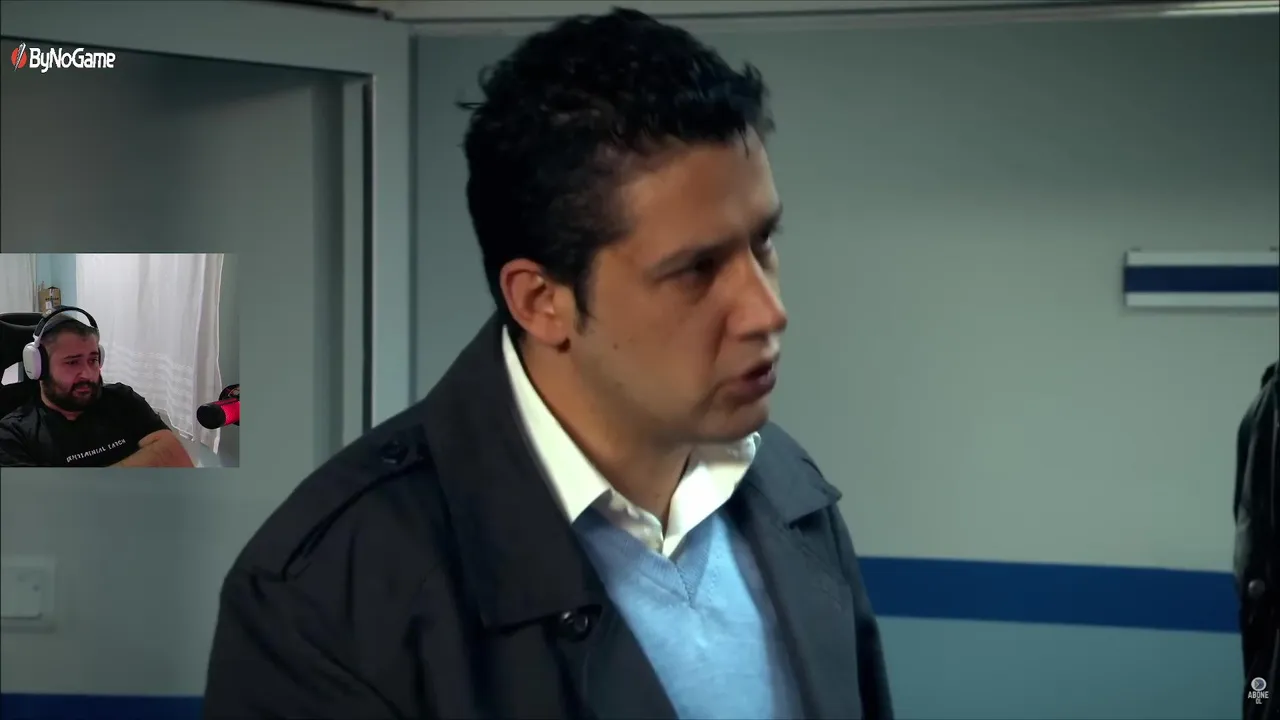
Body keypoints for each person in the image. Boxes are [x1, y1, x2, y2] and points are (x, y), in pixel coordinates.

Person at [204, 9, 893, 720]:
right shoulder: (327, 595)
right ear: (541, 302)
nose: (766, 311)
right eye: (695, 269)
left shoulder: (788, 491)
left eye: (763, 242)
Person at [0, 310, 193, 468]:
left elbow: (178, 461)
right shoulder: (13, 434)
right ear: (38, 367)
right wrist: (149, 459)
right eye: (72, 362)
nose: (88, 374)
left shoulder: (122, 399)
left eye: (93, 360)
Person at [1234, 360, 1277, 720]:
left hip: (1259, 587)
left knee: (1259, 683)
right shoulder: (1269, 410)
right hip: (1265, 586)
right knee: (1261, 685)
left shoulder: (1259, 411)